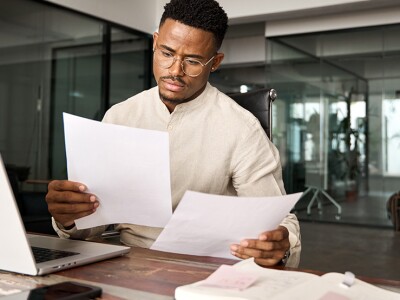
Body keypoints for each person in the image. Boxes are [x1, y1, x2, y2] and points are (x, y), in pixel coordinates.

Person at [46, 0, 301, 267]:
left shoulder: (242, 129)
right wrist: (70, 217)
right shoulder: (119, 117)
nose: (175, 71)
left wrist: (279, 243)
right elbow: (92, 227)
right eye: (166, 53)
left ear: (215, 62)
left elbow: (278, 219)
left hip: (205, 268)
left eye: (193, 61)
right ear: (155, 43)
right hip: (128, 262)